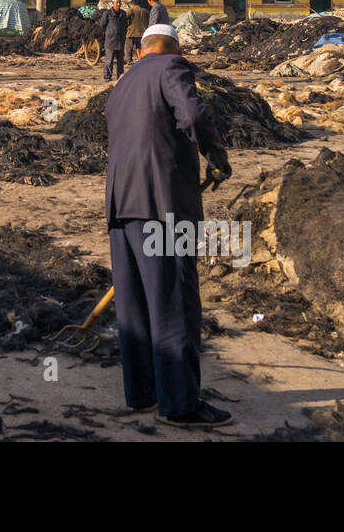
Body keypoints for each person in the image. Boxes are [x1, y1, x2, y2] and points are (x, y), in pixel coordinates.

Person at [104, 24, 232, 428]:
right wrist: (216, 157)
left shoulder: (122, 83)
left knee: (135, 306)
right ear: (174, 47)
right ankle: (179, 405)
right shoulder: (171, 67)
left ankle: (142, 394)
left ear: (140, 50)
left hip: (121, 207)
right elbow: (192, 113)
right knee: (174, 302)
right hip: (162, 207)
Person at [98, 0, 129, 82]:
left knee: (120, 62)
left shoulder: (123, 13)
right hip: (110, 41)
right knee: (109, 61)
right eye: (117, 3)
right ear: (113, 4)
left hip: (120, 41)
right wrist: (109, 33)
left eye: (119, 2)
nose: (118, 4)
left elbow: (125, 25)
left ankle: (120, 78)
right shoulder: (107, 13)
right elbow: (102, 25)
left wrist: (123, 34)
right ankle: (107, 78)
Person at [125, 0, 148, 66]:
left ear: (132, 4)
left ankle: (129, 61)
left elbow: (125, 18)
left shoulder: (131, 10)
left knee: (128, 47)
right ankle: (142, 60)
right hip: (143, 33)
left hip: (132, 33)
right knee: (140, 47)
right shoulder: (145, 11)